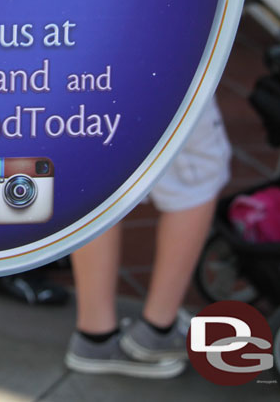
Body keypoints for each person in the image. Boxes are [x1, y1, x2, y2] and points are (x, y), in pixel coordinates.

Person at [65, 95, 231, 378]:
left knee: (94, 172)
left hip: (85, 66)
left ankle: (95, 337)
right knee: (197, 177)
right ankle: (157, 331)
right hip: (164, 61)